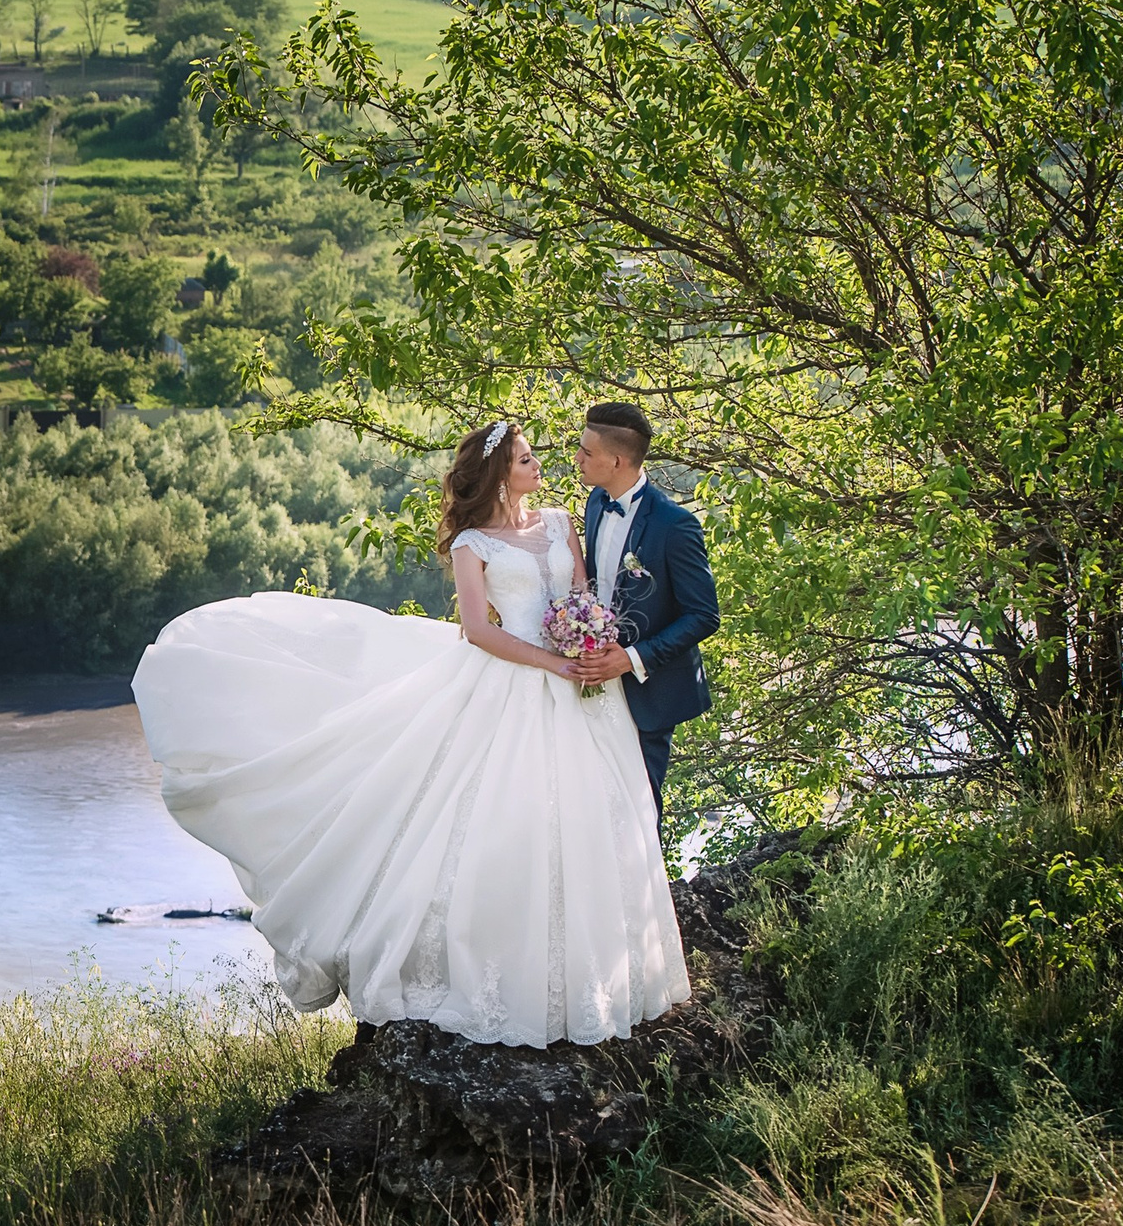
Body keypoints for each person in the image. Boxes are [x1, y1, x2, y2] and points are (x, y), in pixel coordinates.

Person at [131, 420, 690, 1048]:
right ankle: (503, 969)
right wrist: (553, 661)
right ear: (503, 472)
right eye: (528, 458)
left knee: (593, 819)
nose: (541, 465)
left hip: (585, 691)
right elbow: (477, 629)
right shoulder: (473, 543)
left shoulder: (563, 522)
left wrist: (589, 636)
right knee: (503, 820)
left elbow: (583, 593)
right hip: (514, 678)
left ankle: (601, 972)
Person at [569, 401, 720, 823]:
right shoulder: (597, 504)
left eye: (586, 452)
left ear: (616, 461)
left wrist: (631, 659)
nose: (577, 459)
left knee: (639, 810)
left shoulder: (676, 525)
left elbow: (704, 615)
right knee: (592, 802)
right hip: (594, 682)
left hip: (649, 688)